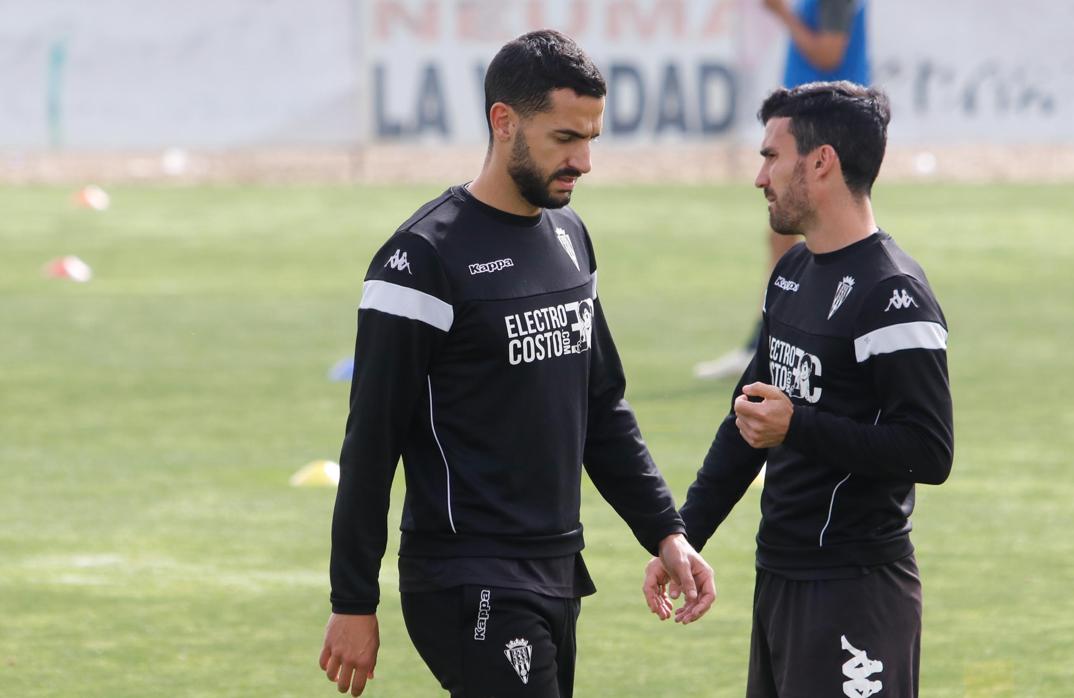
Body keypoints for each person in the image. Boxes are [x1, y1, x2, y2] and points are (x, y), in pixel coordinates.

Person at [319, 30, 715, 698]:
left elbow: (601, 407)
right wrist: (352, 599)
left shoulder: (570, 237)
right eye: (565, 138)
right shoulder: (420, 261)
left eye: (591, 137)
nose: (584, 160)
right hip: (465, 576)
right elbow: (371, 440)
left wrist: (666, 533)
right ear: (504, 122)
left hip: (558, 568)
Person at [646, 82, 953, 698]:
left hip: (856, 590)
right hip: (781, 580)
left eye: (771, 156)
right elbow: (748, 419)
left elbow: (928, 450)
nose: (760, 176)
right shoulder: (792, 272)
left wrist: (800, 427)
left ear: (821, 162)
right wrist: (684, 535)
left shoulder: (893, 297)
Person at [694, 0, 871, 380]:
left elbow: (828, 52)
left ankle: (778, 344)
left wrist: (781, 14)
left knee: (818, 237)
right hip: (822, 126)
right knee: (788, 236)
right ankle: (770, 343)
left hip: (824, 128)